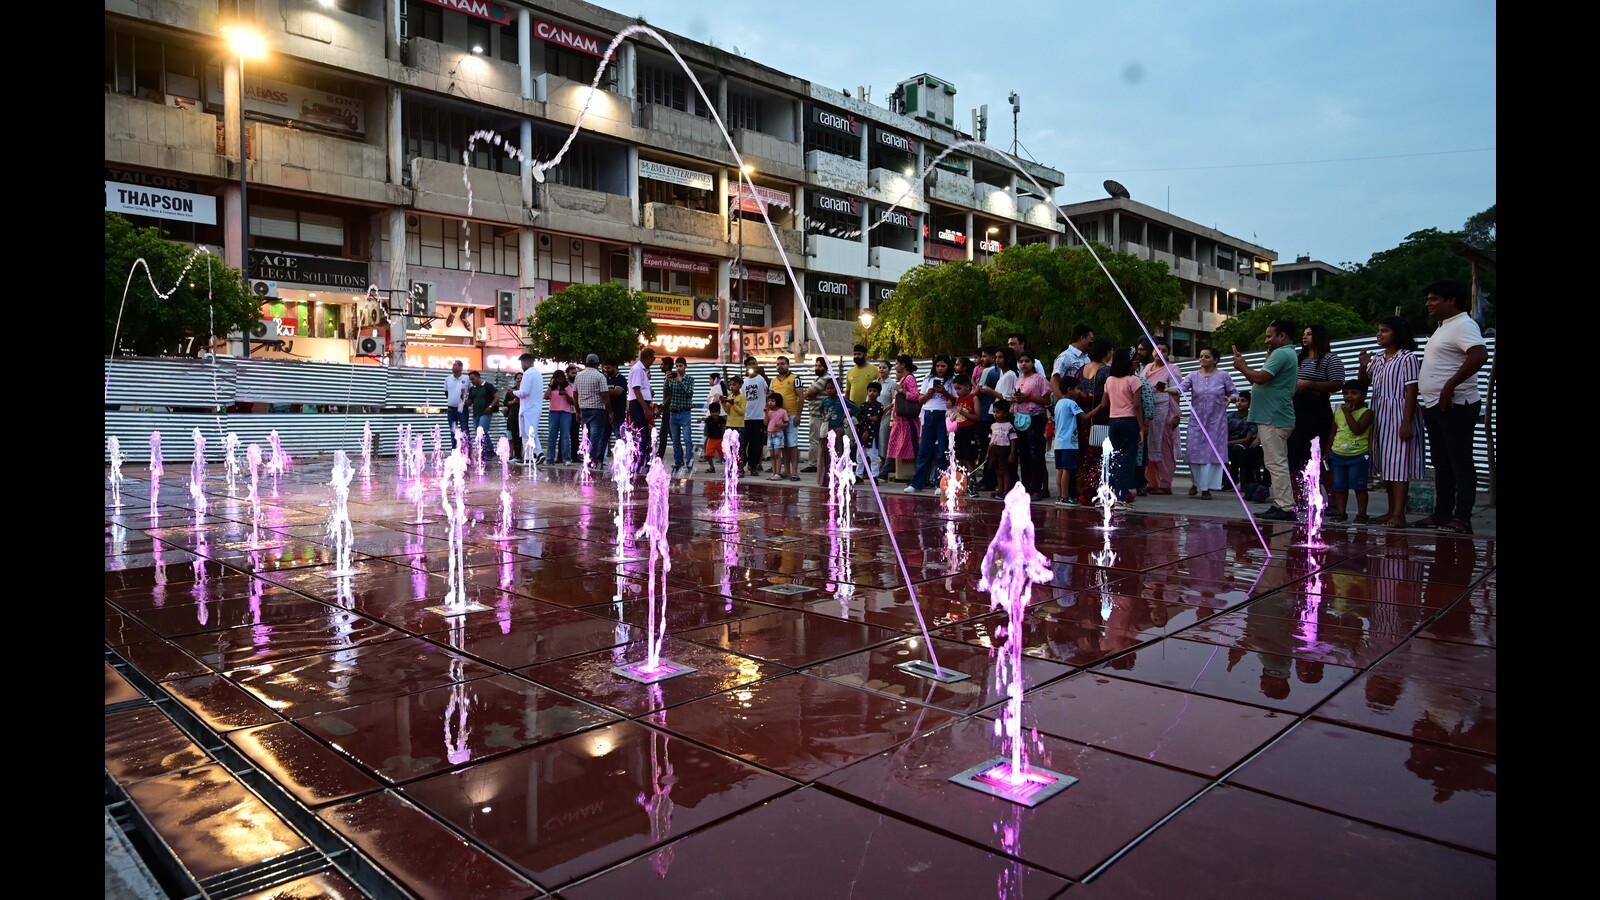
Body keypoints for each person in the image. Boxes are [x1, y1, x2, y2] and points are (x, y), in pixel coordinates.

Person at [1413, 278, 1489, 534]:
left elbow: (1479, 354)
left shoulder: (1463, 325)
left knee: (1461, 462)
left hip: (1457, 404)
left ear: (1451, 300)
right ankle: (1441, 514)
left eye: (1434, 299)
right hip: (1437, 406)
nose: (1428, 304)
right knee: (1441, 463)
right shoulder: (1443, 327)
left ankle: (1462, 518)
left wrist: (1450, 386)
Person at [1359, 316, 1426, 527]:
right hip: (1380, 414)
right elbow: (1364, 383)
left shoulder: (1408, 358)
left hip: (1399, 413)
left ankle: (1399, 513)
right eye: (1378, 330)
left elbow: (1411, 390)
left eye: (1384, 331)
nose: (1379, 334)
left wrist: (1406, 422)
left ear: (1396, 334)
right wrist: (1363, 365)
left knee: (1398, 465)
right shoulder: (1378, 358)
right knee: (1387, 465)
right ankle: (1391, 511)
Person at [1232, 319, 1299, 521]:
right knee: (1274, 462)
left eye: (1270, 336)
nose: (1266, 339)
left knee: (1276, 463)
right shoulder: (1285, 353)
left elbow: (1260, 378)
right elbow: (1260, 379)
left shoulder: (1282, 353)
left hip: (1274, 416)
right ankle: (1281, 503)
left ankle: (1285, 506)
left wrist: (1242, 366)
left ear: (1282, 336)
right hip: (1273, 415)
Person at [1289, 324, 1347, 496]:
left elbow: (1338, 383)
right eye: (1303, 334)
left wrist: (1310, 384)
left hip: (1317, 409)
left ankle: (1331, 497)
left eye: (1309, 334)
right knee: (1295, 454)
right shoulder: (1299, 358)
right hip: (1296, 409)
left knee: (1319, 455)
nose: (1304, 337)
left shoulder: (1330, 359)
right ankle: (1300, 498)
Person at [1089, 347, 1147, 505]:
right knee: (1127, 460)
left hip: (1113, 421)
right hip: (1129, 421)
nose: (1137, 364)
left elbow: (1104, 403)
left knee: (1113, 459)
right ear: (1128, 363)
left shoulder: (1109, 380)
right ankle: (1120, 498)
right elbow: (1137, 406)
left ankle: (1107, 495)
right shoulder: (1134, 380)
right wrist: (1142, 428)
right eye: (1135, 361)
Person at [1179, 348, 1238, 500]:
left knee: (1211, 454)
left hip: (1216, 422)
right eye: (1200, 356)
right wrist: (1166, 389)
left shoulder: (1223, 375)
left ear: (1215, 360)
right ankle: (1196, 483)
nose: (1202, 359)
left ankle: (1205, 489)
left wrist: (1230, 399)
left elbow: (1235, 393)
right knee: (1193, 452)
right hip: (1196, 421)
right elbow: (1180, 389)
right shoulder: (1192, 376)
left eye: (1206, 356)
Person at [1139, 338, 1183, 495]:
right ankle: (1151, 482)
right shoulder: (1146, 368)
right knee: (1149, 446)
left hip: (1165, 411)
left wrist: (1175, 415)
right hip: (1148, 413)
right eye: (1157, 349)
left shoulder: (1173, 369)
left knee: (1165, 447)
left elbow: (1176, 392)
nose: (1160, 353)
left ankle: (1165, 484)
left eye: (1164, 350)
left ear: (1168, 354)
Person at [1326, 379, 1374, 523]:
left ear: (1364, 396)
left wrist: (1347, 414)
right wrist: (1327, 451)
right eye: (1346, 393)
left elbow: (1357, 430)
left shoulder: (1367, 413)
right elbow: (1332, 433)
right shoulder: (1338, 413)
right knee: (1339, 487)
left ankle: (1362, 514)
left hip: (1358, 455)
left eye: (1354, 393)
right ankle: (1341, 513)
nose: (1349, 396)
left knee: (1359, 486)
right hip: (1338, 455)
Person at [907, 355, 955, 492]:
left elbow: (956, 400)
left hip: (943, 415)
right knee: (924, 450)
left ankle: (942, 483)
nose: (940, 369)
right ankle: (917, 483)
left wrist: (944, 392)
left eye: (943, 366)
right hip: (928, 414)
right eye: (938, 366)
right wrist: (928, 394)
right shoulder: (928, 379)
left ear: (948, 367)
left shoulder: (951, 380)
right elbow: (920, 400)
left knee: (942, 451)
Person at [1075, 340, 1114, 504]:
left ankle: (1083, 487)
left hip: (1083, 417)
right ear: (1107, 352)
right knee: (1101, 455)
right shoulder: (1106, 371)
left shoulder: (1080, 370)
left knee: (1085, 453)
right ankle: (1096, 490)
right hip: (1100, 417)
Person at [1012, 352, 1051, 500]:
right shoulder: (1019, 379)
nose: (1024, 364)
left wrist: (1027, 397)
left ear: (1033, 363)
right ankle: (1026, 487)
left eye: (1027, 361)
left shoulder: (1039, 379)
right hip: (1020, 419)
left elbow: (1046, 400)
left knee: (1036, 454)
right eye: (1021, 361)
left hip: (1034, 419)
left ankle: (1037, 489)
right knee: (1024, 455)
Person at [816, 379, 859, 486]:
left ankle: (839, 479)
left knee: (838, 454)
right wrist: (823, 417)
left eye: (832, 388)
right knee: (827, 455)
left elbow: (856, 408)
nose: (830, 390)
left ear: (837, 389)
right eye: (827, 388)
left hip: (838, 430)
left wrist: (846, 415)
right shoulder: (825, 401)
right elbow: (820, 410)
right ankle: (826, 479)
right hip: (827, 431)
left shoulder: (841, 400)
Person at [1052, 376, 1087, 505]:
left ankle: (1061, 495)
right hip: (1069, 443)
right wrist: (1100, 407)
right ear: (1069, 390)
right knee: (1067, 469)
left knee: (1060, 469)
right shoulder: (1072, 403)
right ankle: (1066, 497)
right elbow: (1085, 417)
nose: (1079, 391)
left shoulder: (1059, 403)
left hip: (1059, 442)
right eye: (1078, 389)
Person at [886, 356, 921, 481]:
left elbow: (914, 395)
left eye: (896, 363)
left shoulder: (909, 378)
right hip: (900, 421)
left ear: (903, 365)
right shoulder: (904, 378)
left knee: (914, 447)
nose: (895, 366)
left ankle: (919, 476)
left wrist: (901, 390)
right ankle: (884, 472)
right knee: (894, 445)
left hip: (907, 420)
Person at [769, 356, 802, 481]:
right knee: (782, 444)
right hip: (777, 418)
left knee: (792, 444)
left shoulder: (795, 378)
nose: (780, 366)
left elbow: (801, 397)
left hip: (791, 415)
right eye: (777, 364)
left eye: (782, 364)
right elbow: (770, 399)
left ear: (788, 364)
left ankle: (794, 472)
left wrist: (798, 415)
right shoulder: (773, 381)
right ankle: (786, 470)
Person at [574, 354, 610, 470]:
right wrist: (610, 412)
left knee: (587, 437)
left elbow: (575, 395)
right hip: (597, 411)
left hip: (584, 411)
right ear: (597, 364)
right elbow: (605, 396)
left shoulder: (578, 376)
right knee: (595, 438)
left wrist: (577, 411)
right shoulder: (600, 376)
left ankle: (586, 459)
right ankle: (592, 461)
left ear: (586, 363)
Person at [663, 356, 696, 476]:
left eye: (680, 366)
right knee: (676, 441)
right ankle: (678, 463)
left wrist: (680, 382)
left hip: (685, 413)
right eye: (676, 366)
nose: (678, 368)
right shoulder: (671, 379)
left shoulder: (690, 379)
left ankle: (690, 463)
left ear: (685, 366)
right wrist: (666, 382)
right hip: (673, 413)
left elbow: (689, 394)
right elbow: (666, 394)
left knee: (688, 440)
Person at [511, 353, 545, 465]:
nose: (521, 366)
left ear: (526, 362)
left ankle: (538, 453)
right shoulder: (538, 375)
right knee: (529, 433)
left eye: (522, 363)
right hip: (535, 407)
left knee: (528, 433)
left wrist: (513, 392)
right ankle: (529, 458)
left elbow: (524, 392)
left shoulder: (527, 374)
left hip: (527, 408)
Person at [627, 347, 657, 473]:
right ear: (647, 357)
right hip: (639, 405)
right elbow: (636, 389)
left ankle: (642, 462)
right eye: (653, 358)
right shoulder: (638, 369)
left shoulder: (642, 370)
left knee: (644, 434)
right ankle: (639, 463)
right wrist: (645, 408)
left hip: (642, 404)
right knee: (641, 434)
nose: (654, 361)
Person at [1226, 392, 1264, 487]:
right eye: (1238, 400)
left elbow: (1247, 439)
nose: (1239, 403)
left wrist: (1229, 443)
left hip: (1243, 446)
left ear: (1250, 404)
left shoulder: (1251, 418)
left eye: (1243, 401)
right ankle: (1223, 480)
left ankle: (1233, 479)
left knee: (1237, 449)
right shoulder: (1229, 417)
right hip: (1228, 444)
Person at [801, 357, 830, 476]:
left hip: (818, 415)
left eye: (820, 366)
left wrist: (808, 394)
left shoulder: (824, 379)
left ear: (825, 367)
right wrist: (808, 394)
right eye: (816, 365)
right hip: (814, 414)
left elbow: (808, 393)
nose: (817, 368)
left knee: (816, 440)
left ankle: (813, 464)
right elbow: (808, 393)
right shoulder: (818, 379)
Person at [740, 359, 769, 477]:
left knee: (756, 444)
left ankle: (753, 466)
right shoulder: (744, 382)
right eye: (750, 364)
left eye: (754, 364)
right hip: (746, 417)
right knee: (743, 443)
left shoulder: (761, 379)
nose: (752, 366)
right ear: (746, 367)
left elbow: (767, 390)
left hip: (758, 417)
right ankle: (741, 465)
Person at [951, 373, 982, 476]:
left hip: (970, 430)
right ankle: (960, 482)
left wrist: (964, 413)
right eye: (955, 389)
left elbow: (977, 417)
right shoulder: (958, 400)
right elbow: (956, 415)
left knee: (969, 459)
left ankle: (971, 482)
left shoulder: (974, 398)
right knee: (959, 458)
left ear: (967, 387)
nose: (957, 391)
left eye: (959, 388)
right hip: (959, 430)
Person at [986, 399, 1017, 498]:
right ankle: (999, 489)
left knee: (1005, 471)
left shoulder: (1009, 426)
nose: (995, 414)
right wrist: (988, 453)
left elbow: (1013, 440)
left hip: (1004, 450)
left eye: (998, 412)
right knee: (998, 471)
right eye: (994, 412)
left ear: (1005, 413)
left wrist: (1012, 453)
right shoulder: (993, 426)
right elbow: (991, 441)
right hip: (994, 449)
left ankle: (1006, 490)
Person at [1051, 325, 1095, 394]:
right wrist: (1064, 400)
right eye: (1091, 339)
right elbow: (1054, 381)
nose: (1092, 342)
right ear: (1083, 338)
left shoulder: (1087, 359)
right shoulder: (1065, 357)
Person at [544, 368, 575, 464]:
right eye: (558, 379)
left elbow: (572, 402)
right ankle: (549, 458)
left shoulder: (568, 387)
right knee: (552, 436)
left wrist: (565, 394)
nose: (560, 381)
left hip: (565, 413)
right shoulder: (552, 388)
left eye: (561, 379)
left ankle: (566, 458)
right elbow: (545, 397)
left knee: (565, 436)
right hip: (553, 413)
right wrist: (550, 385)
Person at [466, 370, 499, 457]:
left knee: (482, 431)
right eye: (470, 380)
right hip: (476, 414)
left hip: (485, 413)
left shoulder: (487, 386)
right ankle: (489, 450)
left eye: (473, 379)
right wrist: (464, 400)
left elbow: (497, 397)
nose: (472, 381)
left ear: (478, 377)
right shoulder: (472, 389)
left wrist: (490, 407)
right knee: (480, 432)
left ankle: (487, 450)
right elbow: (470, 401)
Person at [858, 381, 885, 480]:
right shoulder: (863, 405)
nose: (871, 393)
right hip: (862, 434)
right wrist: (868, 421)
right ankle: (859, 475)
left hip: (872, 435)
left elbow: (876, 420)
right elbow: (860, 418)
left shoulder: (879, 406)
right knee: (860, 456)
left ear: (878, 393)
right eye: (870, 390)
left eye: (874, 391)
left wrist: (867, 421)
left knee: (873, 456)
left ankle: (874, 476)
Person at [603, 360, 628, 459]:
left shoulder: (620, 379)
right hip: (605, 413)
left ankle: (624, 459)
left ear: (615, 367)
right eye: (605, 368)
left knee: (620, 437)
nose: (606, 370)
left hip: (618, 413)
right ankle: (599, 461)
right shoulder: (605, 379)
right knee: (603, 438)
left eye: (608, 368)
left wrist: (604, 390)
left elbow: (617, 392)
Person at [444, 360, 471, 449]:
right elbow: (446, 393)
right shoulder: (448, 379)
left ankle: (467, 451)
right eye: (453, 365)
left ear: (461, 368)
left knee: (464, 430)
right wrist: (453, 399)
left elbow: (471, 391)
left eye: (455, 365)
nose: (453, 367)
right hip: (451, 409)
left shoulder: (466, 378)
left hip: (462, 408)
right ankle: (455, 450)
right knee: (453, 431)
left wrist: (467, 401)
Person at [763, 394, 790, 480]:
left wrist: (782, 425)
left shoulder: (783, 412)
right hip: (770, 434)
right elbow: (765, 423)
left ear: (777, 402)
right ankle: (774, 472)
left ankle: (778, 473)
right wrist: (766, 414)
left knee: (777, 454)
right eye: (769, 401)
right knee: (772, 455)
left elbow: (787, 423)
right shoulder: (769, 412)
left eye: (772, 401)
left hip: (778, 434)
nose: (770, 403)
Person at [724, 373, 747, 473]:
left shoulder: (742, 397)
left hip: (739, 426)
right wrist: (724, 403)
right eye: (730, 385)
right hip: (729, 425)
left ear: (740, 385)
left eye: (734, 385)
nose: (732, 387)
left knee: (739, 448)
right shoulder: (730, 396)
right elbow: (727, 411)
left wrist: (733, 404)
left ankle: (740, 468)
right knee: (729, 448)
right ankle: (731, 468)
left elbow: (742, 412)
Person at [703, 371, 725, 470]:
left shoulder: (715, 387)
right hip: (722, 415)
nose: (709, 381)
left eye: (710, 379)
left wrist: (711, 409)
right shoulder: (722, 387)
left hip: (714, 416)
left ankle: (707, 456)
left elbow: (716, 399)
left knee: (709, 436)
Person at [845, 344, 877, 408]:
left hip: (869, 409)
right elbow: (847, 391)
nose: (856, 356)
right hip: (853, 409)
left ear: (865, 355)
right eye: (855, 354)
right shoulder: (850, 372)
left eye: (859, 354)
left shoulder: (874, 370)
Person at [501, 373, 522, 462]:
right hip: (512, 416)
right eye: (517, 378)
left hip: (522, 417)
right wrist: (512, 402)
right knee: (512, 437)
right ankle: (512, 455)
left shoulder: (525, 391)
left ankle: (519, 456)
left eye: (521, 378)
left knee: (521, 438)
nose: (519, 380)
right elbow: (505, 402)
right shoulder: (511, 391)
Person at [702, 398, 726, 474]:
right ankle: (712, 467)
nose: (714, 414)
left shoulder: (722, 420)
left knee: (724, 455)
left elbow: (724, 429)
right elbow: (705, 423)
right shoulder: (708, 420)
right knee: (708, 455)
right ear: (710, 412)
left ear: (719, 412)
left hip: (720, 440)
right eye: (713, 412)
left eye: (716, 412)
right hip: (711, 439)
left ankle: (728, 468)